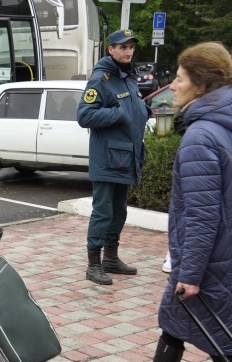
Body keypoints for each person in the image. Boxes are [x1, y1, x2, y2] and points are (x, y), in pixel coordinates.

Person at [110, 42, 232, 362]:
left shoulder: (201, 135)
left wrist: (191, 273)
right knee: (178, 319)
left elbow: (201, 215)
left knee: (221, 344)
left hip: (210, 259)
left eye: (179, 78)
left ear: (200, 84)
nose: (172, 85)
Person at [77, 29, 151, 285]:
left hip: (125, 157)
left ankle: (111, 258)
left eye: (131, 47)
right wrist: (118, 114)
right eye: (122, 47)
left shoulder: (127, 77)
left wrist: (144, 111)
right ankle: (93, 265)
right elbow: (84, 116)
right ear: (111, 49)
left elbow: (131, 110)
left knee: (118, 212)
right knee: (103, 212)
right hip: (108, 159)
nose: (128, 51)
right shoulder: (101, 78)